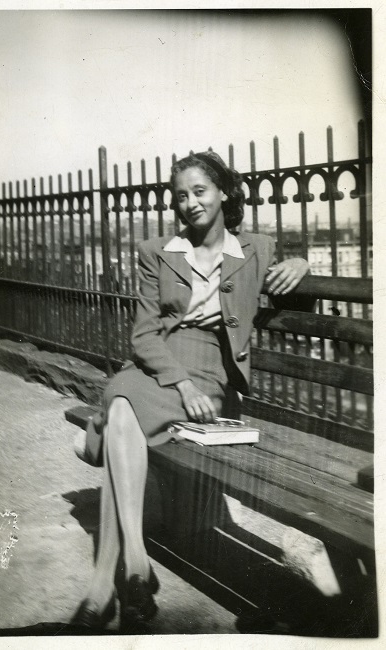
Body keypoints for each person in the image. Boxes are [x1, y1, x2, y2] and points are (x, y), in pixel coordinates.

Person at [71, 150, 309, 630]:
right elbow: (143, 336)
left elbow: (293, 281)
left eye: (200, 191)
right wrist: (178, 382)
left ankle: (105, 586)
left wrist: (301, 262)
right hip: (158, 365)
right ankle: (135, 566)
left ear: (223, 192)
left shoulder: (255, 248)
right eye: (181, 196)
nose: (191, 203)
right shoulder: (157, 251)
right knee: (123, 401)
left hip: (211, 372)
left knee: (118, 417)